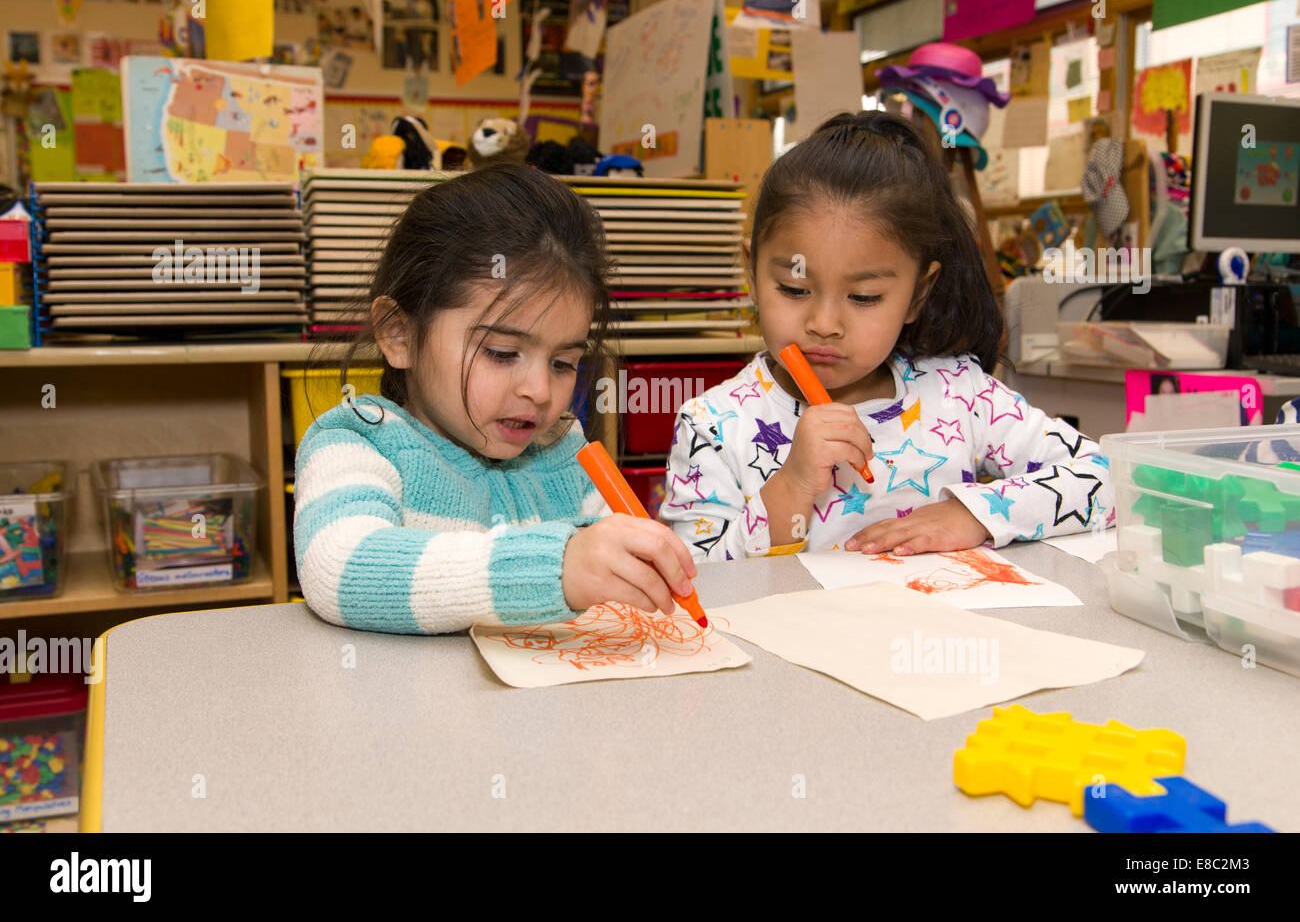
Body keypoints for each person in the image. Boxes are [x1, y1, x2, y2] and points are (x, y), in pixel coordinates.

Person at [661, 111, 1114, 560]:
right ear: (752, 274)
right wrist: (794, 486)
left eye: (864, 297)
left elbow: (1109, 476)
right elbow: (692, 580)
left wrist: (974, 515)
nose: (824, 322)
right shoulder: (715, 425)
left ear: (918, 293)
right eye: (794, 289)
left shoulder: (960, 393)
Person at [295, 164, 697, 633]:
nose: (541, 391)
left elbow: (609, 568)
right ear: (399, 333)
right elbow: (338, 568)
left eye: (563, 363)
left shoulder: (562, 450)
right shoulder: (358, 442)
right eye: (502, 353)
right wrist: (556, 568)